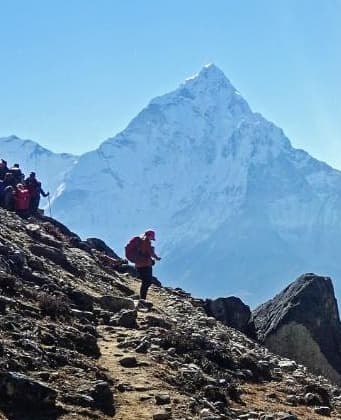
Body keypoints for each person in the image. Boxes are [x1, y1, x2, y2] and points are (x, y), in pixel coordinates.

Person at [135, 229, 161, 300]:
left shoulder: (140, 240)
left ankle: (142, 298)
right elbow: (151, 253)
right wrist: (156, 258)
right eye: (152, 238)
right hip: (145, 265)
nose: (152, 240)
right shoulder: (146, 242)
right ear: (149, 236)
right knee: (147, 281)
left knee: (145, 281)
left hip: (138, 264)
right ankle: (142, 299)